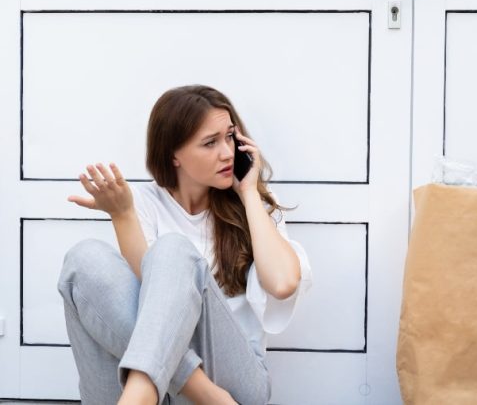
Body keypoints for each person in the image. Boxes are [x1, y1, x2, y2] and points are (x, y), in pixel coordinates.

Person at [57, 84, 313, 405]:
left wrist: (248, 192)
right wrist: (122, 215)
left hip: (237, 383)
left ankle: (142, 396)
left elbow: (283, 283)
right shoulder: (144, 202)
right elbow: (146, 304)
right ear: (173, 155)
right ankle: (197, 396)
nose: (227, 153)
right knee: (84, 259)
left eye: (230, 137)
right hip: (192, 391)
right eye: (210, 143)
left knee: (174, 250)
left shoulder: (253, 206)